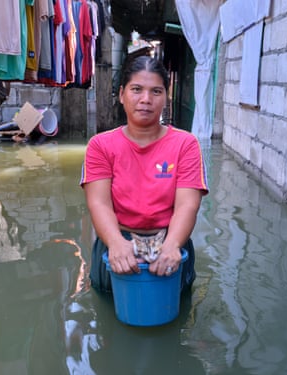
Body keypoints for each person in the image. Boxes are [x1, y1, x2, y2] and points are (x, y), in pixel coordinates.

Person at [80, 55, 208, 293]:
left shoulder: (186, 144)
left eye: (156, 91)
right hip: (116, 242)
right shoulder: (100, 146)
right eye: (136, 89)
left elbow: (187, 206)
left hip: (172, 242)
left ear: (166, 97)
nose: (146, 100)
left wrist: (172, 246)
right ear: (121, 94)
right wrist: (117, 243)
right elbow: (98, 203)